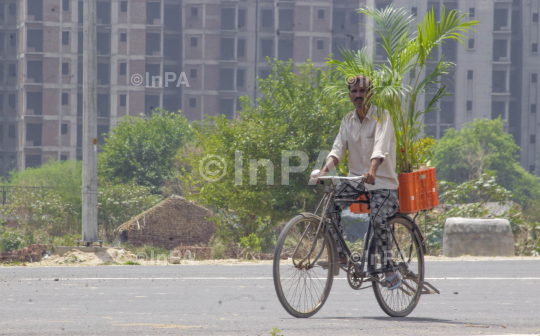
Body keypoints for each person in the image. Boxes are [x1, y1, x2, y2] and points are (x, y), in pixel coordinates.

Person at [313, 75, 401, 289]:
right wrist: (323, 172)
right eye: (354, 92)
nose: (358, 95)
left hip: (383, 182)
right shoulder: (347, 120)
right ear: (349, 95)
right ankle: (341, 256)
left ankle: (390, 270)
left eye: (363, 91)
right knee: (331, 206)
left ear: (370, 93)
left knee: (379, 217)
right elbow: (337, 151)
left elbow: (380, 147)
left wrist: (372, 170)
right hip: (356, 181)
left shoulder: (383, 116)